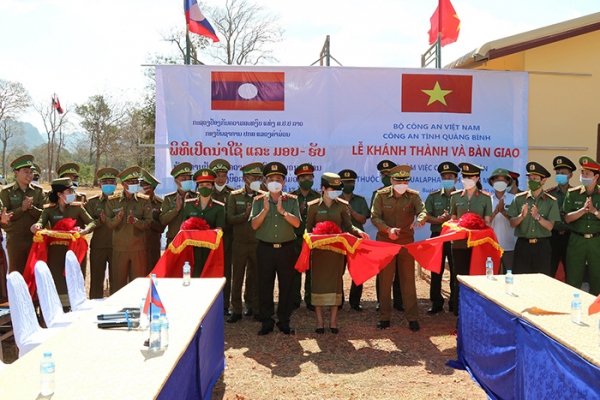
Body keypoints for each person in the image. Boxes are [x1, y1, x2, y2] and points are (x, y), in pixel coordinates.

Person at [306, 173, 369, 334]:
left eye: (337, 189)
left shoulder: (342, 205)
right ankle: (320, 322)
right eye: (332, 189)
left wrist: (359, 232)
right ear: (323, 189)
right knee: (318, 283)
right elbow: (308, 229)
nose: (335, 192)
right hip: (319, 251)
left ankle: (333, 322)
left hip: (336, 251)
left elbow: (348, 226)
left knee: (336, 282)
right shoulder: (312, 206)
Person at [371, 165, 427, 331]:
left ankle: (413, 318)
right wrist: (388, 230)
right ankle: (384, 318)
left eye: (405, 181)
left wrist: (420, 220)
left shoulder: (413, 196)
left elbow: (422, 211)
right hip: (386, 243)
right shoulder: (380, 196)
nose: (402, 184)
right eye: (398, 181)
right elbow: (375, 217)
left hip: (405, 243)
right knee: (385, 281)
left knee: (408, 280)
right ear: (391, 180)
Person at [250, 162, 301, 336]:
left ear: (284, 182)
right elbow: (254, 225)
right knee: (264, 285)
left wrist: (283, 212)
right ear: (264, 182)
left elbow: (297, 223)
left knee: (286, 285)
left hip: (286, 249)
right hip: (265, 249)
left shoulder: (292, 200)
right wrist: (265, 210)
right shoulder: (258, 200)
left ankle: (284, 321)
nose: (274, 182)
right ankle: (266, 321)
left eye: (278, 179)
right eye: (271, 179)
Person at [31, 178, 95, 300]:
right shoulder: (48, 209)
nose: (73, 194)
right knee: (58, 277)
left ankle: (76, 304)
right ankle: (62, 307)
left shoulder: (78, 208)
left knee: (75, 276)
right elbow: (40, 222)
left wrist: (85, 231)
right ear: (59, 194)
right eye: (69, 191)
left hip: (74, 250)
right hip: (56, 251)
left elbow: (91, 222)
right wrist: (36, 227)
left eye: (72, 190)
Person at [450, 162, 492, 317]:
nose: (466, 179)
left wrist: (478, 227)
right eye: (464, 176)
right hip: (459, 244)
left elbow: (487, 222)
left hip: (478, 245)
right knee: (459, 276)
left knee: (477, 276)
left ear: (477, 178)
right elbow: (453, 221)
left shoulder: (486, 198)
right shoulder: (455, 197)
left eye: (470, 177)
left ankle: (477, 309)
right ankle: (459, 310)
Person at [507, 162, 559, 276]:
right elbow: (512, 223)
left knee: (542, 281)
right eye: (529, 178)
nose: (531, 181)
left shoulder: (551, 201)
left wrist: (538, 217)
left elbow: (550, 226)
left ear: (543, 181)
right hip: (523, 245)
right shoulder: (519, 199)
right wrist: (521, 216)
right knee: (520, 280)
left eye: (535, 179)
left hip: (542, 246)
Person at [227, 162, 263, 323]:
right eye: (253, 177)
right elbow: (230, 219)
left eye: (259, 177)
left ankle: (255, 308)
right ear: (245, 179)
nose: (257, 180)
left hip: (257, 242)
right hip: (240, 243)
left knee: (256, 278)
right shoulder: (234, 196)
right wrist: (245, 215)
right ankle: (236, 310)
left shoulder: (263, 196)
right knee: (238, 277)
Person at [106, 167, 152, 294]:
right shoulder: (113, 201)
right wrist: (118, 219)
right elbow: (109, 224)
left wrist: (136, 222)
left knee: (138, 283)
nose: (134, 185)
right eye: (131, 183)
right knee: (118, 283)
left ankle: (138, 307)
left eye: (136, 182)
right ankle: (117, 308)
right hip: (120, 248)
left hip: (138, 248)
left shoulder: (144, 200)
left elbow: (148, 223)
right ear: (123, 184)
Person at [0, 155, 44, 274]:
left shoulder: (38, 191)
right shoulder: (6, 192)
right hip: (15, 240)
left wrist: (32, 208)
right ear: (16, 172)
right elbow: (4, 217)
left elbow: (44, 215)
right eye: (26, 172)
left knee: (33, 275)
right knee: (16, 275)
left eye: (31, 172)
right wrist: (22, 209)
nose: (29, 175)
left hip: (34, 240)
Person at [424, 161, 458, 314]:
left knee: (455, 270)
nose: (447, 179)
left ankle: (454, 302)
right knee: (436, 270)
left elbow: (466, 217)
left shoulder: (461, 197)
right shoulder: (433, 196)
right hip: (437, 236)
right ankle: (436, 302)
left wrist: (452, 219)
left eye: (450, 176)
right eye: (444, 177)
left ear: (456, 179)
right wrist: (438, 220)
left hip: (455, 237)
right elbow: (425, 216)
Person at [563, 156, 600, 295]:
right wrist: (582, 211)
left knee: (597, 277)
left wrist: (594, 211)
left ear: (596, 176)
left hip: (597, 241)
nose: (583, 176)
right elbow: (566, 218)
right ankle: (573, 306)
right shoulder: (573, 194)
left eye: (587, 174)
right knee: (573, 277)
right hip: (577, 240)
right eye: (582, 173)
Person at [371, 159, 402, 312]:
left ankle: (399, 301)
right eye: (383, 173)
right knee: (383, 271)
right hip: (384, 238)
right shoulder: (377, 195)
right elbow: (375, 217)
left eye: (388, 173)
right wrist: (387, 230)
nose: (385, 176)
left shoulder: (405, 193)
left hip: (401, 237)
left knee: (400, 270)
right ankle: (381, 301)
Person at [182, 168, 225, 277]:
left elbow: (219, 230)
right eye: (201, 185)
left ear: (213, 187)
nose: (204, 188)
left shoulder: (219, 207)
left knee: (208, 277)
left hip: (209, 251)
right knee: (193, 277)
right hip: (192, 250)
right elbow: (183, 228)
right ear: (197, 188)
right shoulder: (189, 205)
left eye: (208, 185)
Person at [338, 168, 371, 311]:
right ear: (340, 183)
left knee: (357, 272)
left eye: (351, 181)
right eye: (345, 182)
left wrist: (352, 212)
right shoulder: (334, 200)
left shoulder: (360, 200)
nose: (348, 184)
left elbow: (363, 220)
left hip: (357, 239)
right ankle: (338, 301)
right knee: (338, 271)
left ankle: (355, 301)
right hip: (340, 240)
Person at [290, 163, 321, 311]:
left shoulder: (318, 197)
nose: (307, 180)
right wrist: (299, 212)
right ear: (297, 180)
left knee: (313, 271)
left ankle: (310, 300)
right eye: (303, 178)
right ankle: (295, 299)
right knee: (294, 271)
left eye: (310, 177)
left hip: (312, 240)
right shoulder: (291, 197)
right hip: (294, 239)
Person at [85, 167, 119, 299]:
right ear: (100, 185)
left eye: (111, 182)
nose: (108, 185)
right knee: (96, 280)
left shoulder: (120, 201)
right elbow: (87, 223)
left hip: (116, 246)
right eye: (105, 183)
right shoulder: (93, 202)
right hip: (98, 246)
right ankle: (94, 306)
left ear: (116, 185)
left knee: (116, 280)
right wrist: (100, 221)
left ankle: (115, 305)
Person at [209, 159, 235, 316]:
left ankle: (225, 305)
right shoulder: (205, 192)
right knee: (209, 270)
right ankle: (210, 303)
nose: (220, 179)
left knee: (226, 272)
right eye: (217, 176)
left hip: (227, 239)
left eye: (223, 175)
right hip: (209, 240)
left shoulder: (232, 194)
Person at [546, 156, 576, 279]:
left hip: (570, 235)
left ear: (570, 175)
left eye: (563, 173)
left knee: (571, 269)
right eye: (558, 172)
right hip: (553, 235)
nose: (560, 175)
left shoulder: (576, 193)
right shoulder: (549, 193)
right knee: (550, 268)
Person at [160, 163, 195, 248]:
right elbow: (163, 220)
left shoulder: (197, 197)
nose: (187, 181)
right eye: (184, 179)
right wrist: (176, 210)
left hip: (193, 241)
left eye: (189, 179)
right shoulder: (169, 198)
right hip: (174, 240)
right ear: (176, 181)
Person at [488, 168, 516, 274]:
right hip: (492, 246)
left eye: (503, 180)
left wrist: (504, 212)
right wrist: (495, 212)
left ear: (508, 182)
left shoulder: (514, 199)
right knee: (492, 276)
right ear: (492, 182)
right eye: (497, 180)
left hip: (510, 244)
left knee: (510, 276)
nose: (500, 182)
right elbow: (486, 222)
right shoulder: (488, 200)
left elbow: (516, 221)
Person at [139, 168, 165, 274]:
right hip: (135, 245)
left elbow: (161, 227)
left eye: (141, 185)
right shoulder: (135, 201)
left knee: (152, 274)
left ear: (149, 187)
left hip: (152, 246)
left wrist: (150, 221)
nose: (138, 187)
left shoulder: (159, 203)